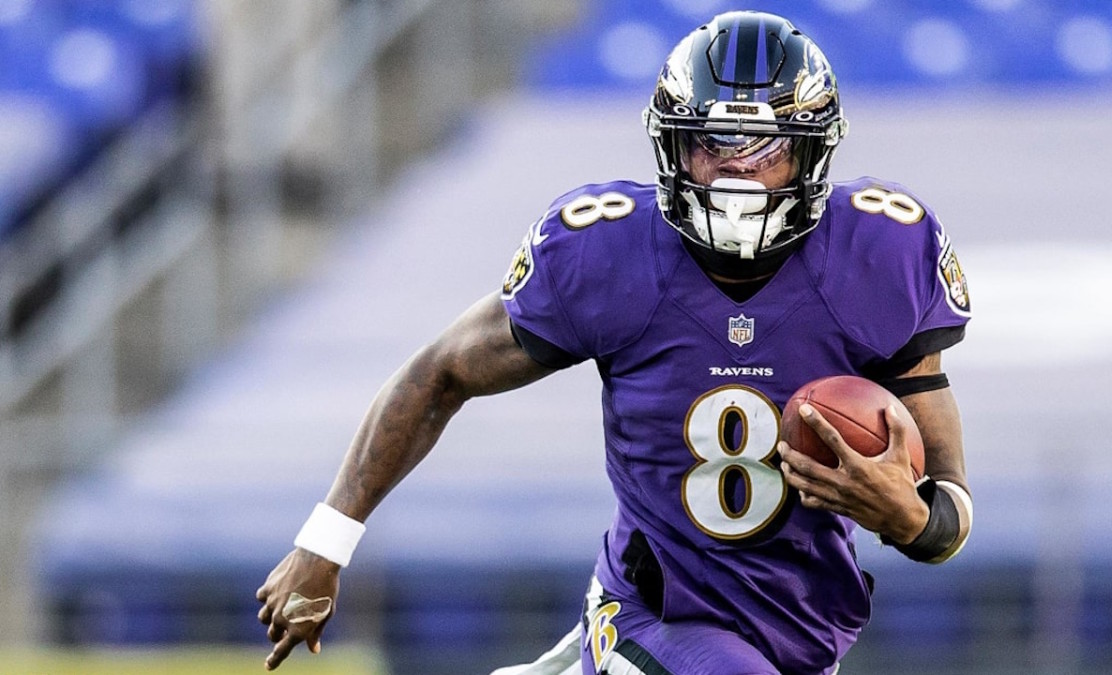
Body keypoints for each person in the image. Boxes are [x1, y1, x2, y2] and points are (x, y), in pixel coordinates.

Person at [256, 10, 974, 674]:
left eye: (763, 151)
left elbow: (948, 514)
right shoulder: (608, 254)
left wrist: (908, 515)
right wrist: (327, 539)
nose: (734, 175)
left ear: (812, 154)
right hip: (653, 609)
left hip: (802, 628)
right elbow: (441, 372)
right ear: (669, 145)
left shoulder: (880, 255)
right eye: (709, 145)